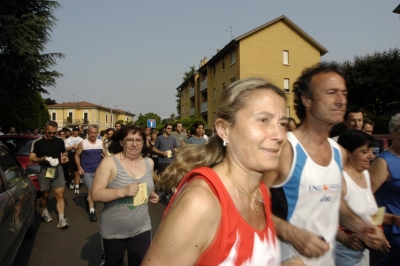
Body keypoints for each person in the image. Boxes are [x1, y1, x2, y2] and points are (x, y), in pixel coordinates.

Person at [142, 77, 287, 265]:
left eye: (282, 123)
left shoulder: (261, 193)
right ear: (224, 130)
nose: (279, 135)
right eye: (263, 120)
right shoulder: (201, 203)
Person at [264, 62, 387, 265]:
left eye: (344, 93)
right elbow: (249, 205)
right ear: (306, 99)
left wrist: (361, 227)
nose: (341, 101)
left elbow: (334, 202)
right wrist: (292, 234)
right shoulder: (284, 149)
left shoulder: (339, 152)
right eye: (331, 93)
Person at [91, 125, 159, 266]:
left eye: (139, 140)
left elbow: (146, 185)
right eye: (129, 140)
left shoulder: (149, 162)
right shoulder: (109, 162)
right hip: (114, 230)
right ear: (122, 142)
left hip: (142, 228)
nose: (134, 144)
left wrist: (151, 193)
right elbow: (95, 194)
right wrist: (122, 191)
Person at [335, 130, 392, 266]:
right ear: (347, 153)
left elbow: (371, 209)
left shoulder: (365, 174)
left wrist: (391, 220)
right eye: (364, 152)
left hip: (363, 254)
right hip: (341, 254)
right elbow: (323, 217)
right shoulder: (338, 178)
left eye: (372, 151)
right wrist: (344, 238)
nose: (371, 156)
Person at [369, 113, 400, 265]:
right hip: (392, 231)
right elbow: (366, 199)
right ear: (394, 132)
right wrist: (378, 225)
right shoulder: (383, 161)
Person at [29, 121, 70, 229]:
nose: (52, 135)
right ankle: (44, 210)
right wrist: (42, 158)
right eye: (49, 133)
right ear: (45, 130)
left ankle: (61, 220)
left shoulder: (60, 141)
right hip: (44, 169)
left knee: (60, 195)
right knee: (45, 194)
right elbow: (31, 158)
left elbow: (64, 152)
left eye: (54, 133)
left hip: (57, 169)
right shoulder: (37, 142)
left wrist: (64, 157)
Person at [75, 124, 103, 222]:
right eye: (91, 132)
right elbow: (77, 155)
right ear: (88, 133)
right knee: (91, 190)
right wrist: (79, 168)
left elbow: (106, 155)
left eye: (95, 133)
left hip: (99, 171)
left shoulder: (100, 142)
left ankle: (88, 200)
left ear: (97, 133)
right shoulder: (83, 143)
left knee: (97, 190)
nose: (93, 134)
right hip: (87, 170)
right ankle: (92, 211)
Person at [65, 127, 83, 193]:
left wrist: (78, 148)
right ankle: (72, 180)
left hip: (79, 155)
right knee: (71, 172)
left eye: (77, 131)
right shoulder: (68, 140)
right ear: (72, 131)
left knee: (77, 171)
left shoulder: (81, 139)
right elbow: (66, 149)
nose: (76, 132)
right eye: (75, 131)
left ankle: (77, 187)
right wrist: (72, 147)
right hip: (71, 155)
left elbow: (83, 148)